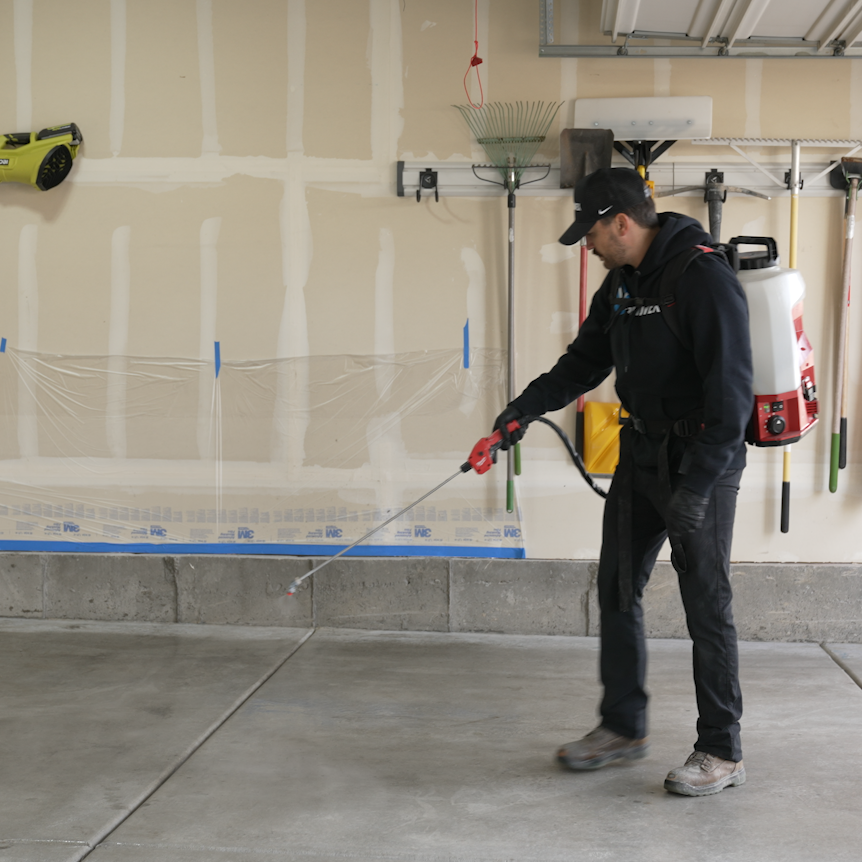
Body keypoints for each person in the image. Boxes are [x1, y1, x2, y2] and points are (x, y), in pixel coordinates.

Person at [494, 167, 753, 797]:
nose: (587, 244)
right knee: (616, 586)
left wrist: (698, 486)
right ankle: (622, 726)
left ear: (621, 223)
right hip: (641, 456)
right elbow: (583, 363)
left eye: (591, 232)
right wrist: (522, 409)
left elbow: (733, 396)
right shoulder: (620, 286)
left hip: (701, 460)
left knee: (706, 603)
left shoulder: (702, 277)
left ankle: (721, 750)